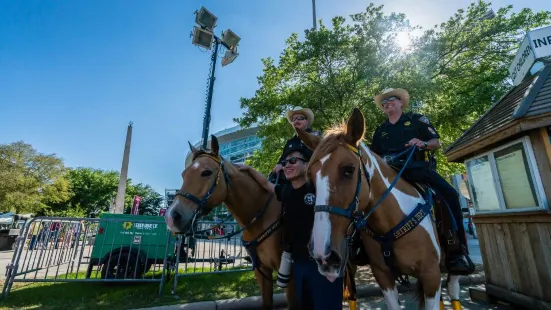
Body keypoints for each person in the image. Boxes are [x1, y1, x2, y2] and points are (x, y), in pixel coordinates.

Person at [370, 87, 473, 275]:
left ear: (401, 102)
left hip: (417, 170)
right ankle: (362, 247)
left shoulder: (416, 120)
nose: (387, 103)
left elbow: (435, 142)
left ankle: (456, 249)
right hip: (389, 176)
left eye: (392, 99)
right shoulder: (380, 131)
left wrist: (422, 143)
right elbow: (373, 156)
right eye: (384, 102)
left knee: (449, 194)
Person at [240, 143, 343, 310]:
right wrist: (248, 169)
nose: (287, 165)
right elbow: (267, 185)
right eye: (285, 162)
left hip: (323, 264)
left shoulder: (319, 189)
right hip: (299, 265)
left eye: (293, 161)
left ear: (306, 165)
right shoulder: (287, 192)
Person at [271, 106, 321, 184]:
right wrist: (280, 165)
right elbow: (281, 161)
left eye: (300, 118)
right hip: (290, 182)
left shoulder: (315, 136)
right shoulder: (290, 142)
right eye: (293, 119)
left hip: (312, 180)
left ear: (306, 121)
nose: (296, 121)